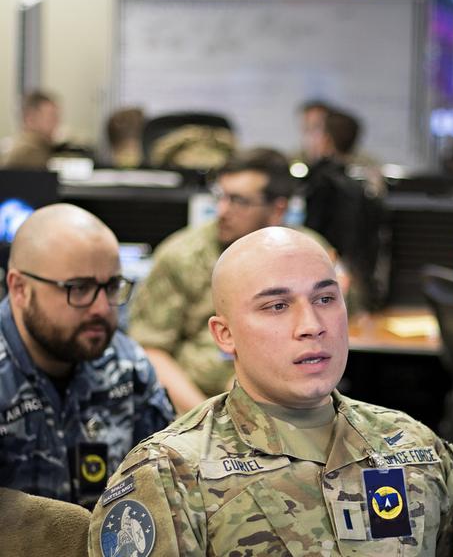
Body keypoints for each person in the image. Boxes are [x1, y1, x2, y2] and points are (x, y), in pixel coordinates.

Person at [88, 227, 453, 556]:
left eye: (325, 298)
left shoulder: (414, 446)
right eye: (277, 305)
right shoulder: (172, 474)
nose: (312, 324)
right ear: (224, 334)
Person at [129, 147, 334, 415]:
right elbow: (150, 350)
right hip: (201, 407)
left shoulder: (308, 253)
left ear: (277, 209)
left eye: (239, 201)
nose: (222, 211)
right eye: (220, 197)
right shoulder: (183, 255)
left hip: (293, 406)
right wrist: (206, 420)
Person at [0, 204, 174, 507]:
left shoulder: (126, 366)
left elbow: (165, 485)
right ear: (20, 289)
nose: (102, 308)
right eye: (79, 288)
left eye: (111, 286)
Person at [304, 109, 387, 311]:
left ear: (326, 140)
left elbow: (311, 231)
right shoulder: (368, 180)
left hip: (327, 270)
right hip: (362, 274)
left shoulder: (321, 180)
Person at [2, 89, 60, 169]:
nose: (57, 123)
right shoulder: (31, 154)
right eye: (51, 117)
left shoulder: (35, 146)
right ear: (30, 119)